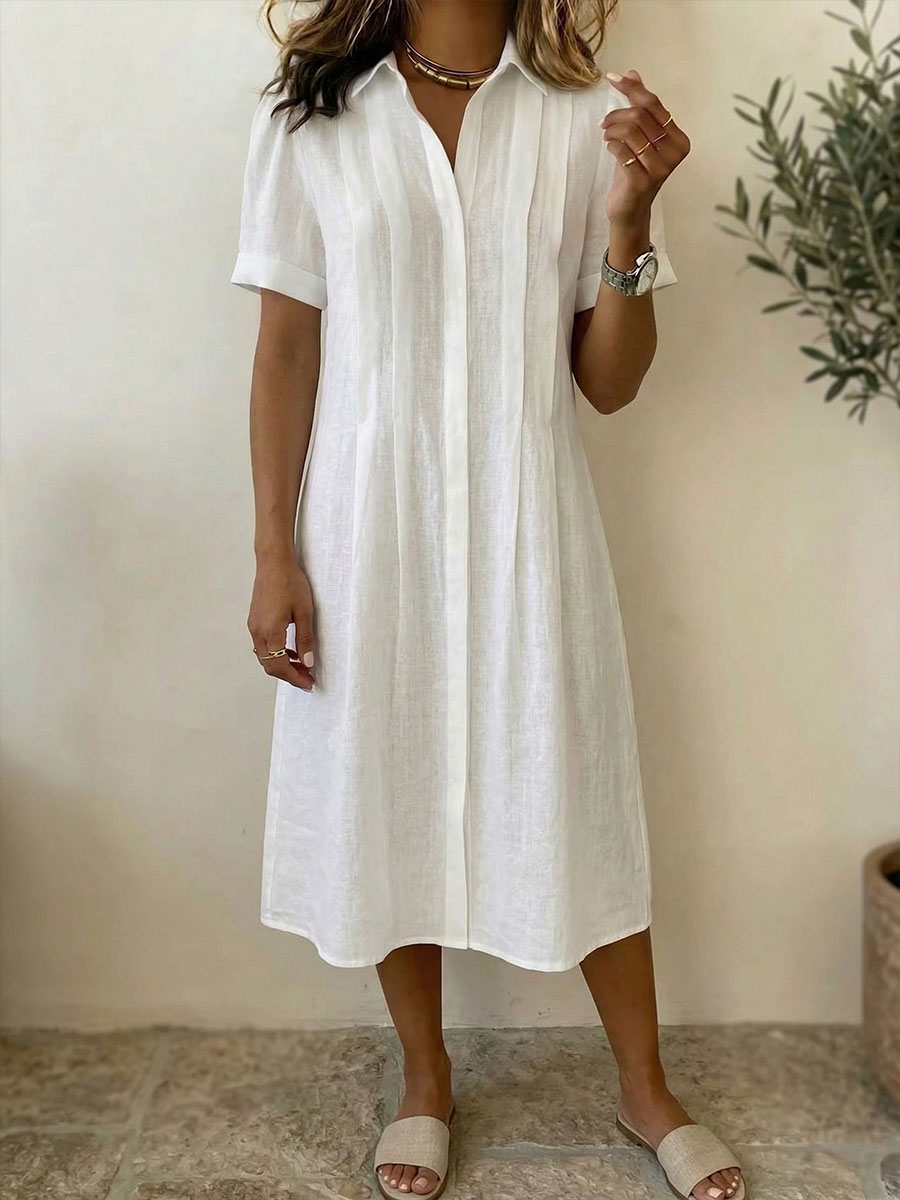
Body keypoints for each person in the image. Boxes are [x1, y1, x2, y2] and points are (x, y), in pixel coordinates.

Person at [231, 2, 745, 1198]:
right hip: (368, 523)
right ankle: (425, 1077)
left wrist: (631, 222)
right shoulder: (313, 111)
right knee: (387, 781)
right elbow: (286, 348)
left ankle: (645, 1086)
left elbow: (609, 384)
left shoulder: (584, 119)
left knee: (577, 783)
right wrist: (271, 552)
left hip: (532, 520)